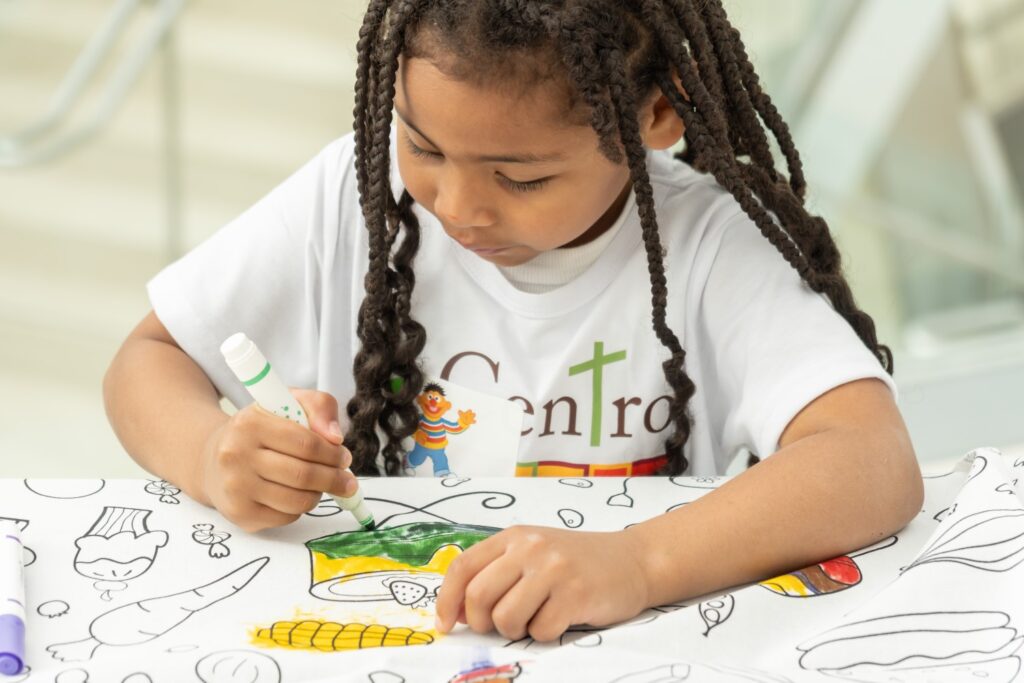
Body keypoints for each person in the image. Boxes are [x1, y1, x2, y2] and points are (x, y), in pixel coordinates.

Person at [104, 0, 923, 643]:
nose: (459, 209)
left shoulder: (709, 247)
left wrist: (638, 560)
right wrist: (214, 456)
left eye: (520, 178)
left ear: (658, 118)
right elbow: (146, 360)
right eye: (422, 148)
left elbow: (873, 458)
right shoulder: (350, 196)